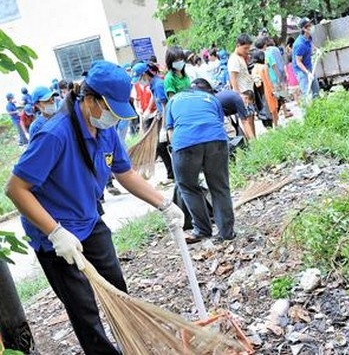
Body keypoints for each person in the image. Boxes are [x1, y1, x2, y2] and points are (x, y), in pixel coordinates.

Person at [5, 60, 184, 355]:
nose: (114, 119)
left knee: (117, 289)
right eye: (110, 110)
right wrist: (56, 232)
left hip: (89, 221)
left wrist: (163, 203)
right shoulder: (55, 134)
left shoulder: (106, 130)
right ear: (90, 101)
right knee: (84, 310)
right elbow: (15, 189)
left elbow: (124, 173)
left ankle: (133, 345)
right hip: (56, 237)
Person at [165, 78, 235, 243]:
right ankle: (226, 232)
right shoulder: (212, 99)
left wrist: (176, 153)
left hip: (185, 143)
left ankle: (202, 230)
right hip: (216, 140)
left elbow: (170, 132)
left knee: (188, 187)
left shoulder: (173, 100)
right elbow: (218, 122)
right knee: (220, 187)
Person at [132, 62, 174, 182]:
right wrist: (157, 114)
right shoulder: (152, 85)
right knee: (160, 147)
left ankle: (173, 174)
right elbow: (160, 107)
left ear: (145, 75)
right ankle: (171, 174)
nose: (140, 82)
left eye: (139, 79)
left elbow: (165, 106)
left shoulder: (158, 85)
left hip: (169, 119)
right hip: (161, 117)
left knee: (163, 146)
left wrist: (164, 128)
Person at [228, 33, 256, 139]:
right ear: (238, 45)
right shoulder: (234, 59)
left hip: (248, 94)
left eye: (248, 48)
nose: (247, 51)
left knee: (251, 119)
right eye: (245, 48)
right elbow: (233, 79)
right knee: (247, 121)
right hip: (243, 95)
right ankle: (253, 144)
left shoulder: (241, 57)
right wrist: (238, 95)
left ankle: (255, 142)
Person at [292, 18, 320, 101]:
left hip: (309, 67)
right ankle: (306, 112)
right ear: (304, 29)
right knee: (307, 94)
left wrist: (316, 49)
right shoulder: (299, 44)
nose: (312, 27)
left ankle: (318, 109)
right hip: (301, 71)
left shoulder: (309, 37)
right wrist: (307, 73)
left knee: (316, 91)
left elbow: (310, 44)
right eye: (309, 25)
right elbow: (298, 62)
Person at [252, 49, 279, 127]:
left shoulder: (253, 69)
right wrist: (273, 90)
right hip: (267, 90)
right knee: (273, 109)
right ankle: (276, 126)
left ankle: (269, 127)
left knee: (265, 109)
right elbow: (268, 79)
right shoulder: (264, 67)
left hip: (260, 93)